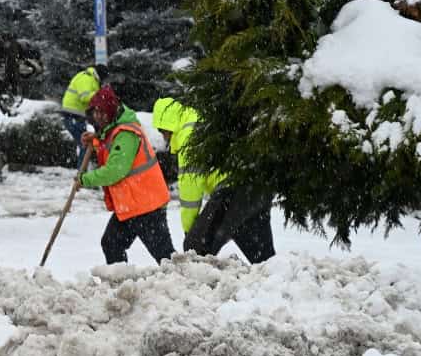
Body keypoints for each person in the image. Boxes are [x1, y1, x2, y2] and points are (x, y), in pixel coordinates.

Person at [151, 97, 275, 265]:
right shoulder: (201, 120)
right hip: (258, 186)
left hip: (233, 191)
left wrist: (190, 230)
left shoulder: (188, 136)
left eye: (162, 131)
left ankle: (198, 289)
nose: (163, 137)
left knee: (195, 249)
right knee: (265, 261)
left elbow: (191, 189)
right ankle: (281, 285)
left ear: (167, 124)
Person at [80, 87, 175, 265]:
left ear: (110, 110)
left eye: (101, 112)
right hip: (131, 205)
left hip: (147, 206)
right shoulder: (115, 127)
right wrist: (96, 140)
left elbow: (115, 170)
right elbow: (110, 143)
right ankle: (120, 283)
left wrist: (85, 179)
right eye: (95, 113)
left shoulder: (127, 134)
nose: (98, 117)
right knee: (111, 244)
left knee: (165, 257)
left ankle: (185, 284)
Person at [61, 64, 108, 168]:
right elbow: (85, 97)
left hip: (76, 116)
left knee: (87, 145)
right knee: (86, 145)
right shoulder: (86, 78)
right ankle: (81, 176)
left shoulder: (91, 79)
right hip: (72, 116)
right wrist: (101, 95)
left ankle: (83, 174)